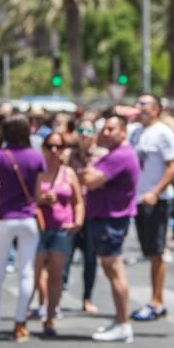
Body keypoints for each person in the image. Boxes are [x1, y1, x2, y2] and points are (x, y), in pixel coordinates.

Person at [81, 114, 141, 343]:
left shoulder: (120, 155)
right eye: (103, 129)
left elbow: (90, 179)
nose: (105, 133)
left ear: (123, 132)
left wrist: (89, 168)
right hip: (107, 218)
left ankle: (123, 323)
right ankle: (120, 319)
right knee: (110, 270)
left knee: (114, 270)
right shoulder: (114, 155)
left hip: (111, 219)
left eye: (111, 129)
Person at [0, 114, 46, 342]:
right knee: (26, 272)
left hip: (4, 219)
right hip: (28, 219)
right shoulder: (35, 157)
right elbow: (39, 195)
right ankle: (20, 324)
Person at [129, 95, 174, 321]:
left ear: (156, 110)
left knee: (156, 253)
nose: (140, 109)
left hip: (157, 200)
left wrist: (155, 192)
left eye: (145, 105)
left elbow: (173, 167)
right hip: (138, 200)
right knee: (148, 251)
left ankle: (157, 301)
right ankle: (154, 300)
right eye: (138, 104)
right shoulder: (135, 132)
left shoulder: (164, 133)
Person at [33, 131, 84, 336]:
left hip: (62, 229)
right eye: (50, 146)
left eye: (59, 147)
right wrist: (42, 199)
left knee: (56, 275)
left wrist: (78, 222)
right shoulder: (38, 172)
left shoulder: (69, 173)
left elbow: (78, 201)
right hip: (40, 228)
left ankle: (51, 318)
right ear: (44, 148)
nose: (54, 151)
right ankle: (33, 309)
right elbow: (29, 200)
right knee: (35, 275)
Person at [64, 118, 105, 313]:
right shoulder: (68, 155)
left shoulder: (102, 155)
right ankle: (58, 297)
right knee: (64, 256)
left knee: (90, 258)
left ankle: (87, 297)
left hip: (93, 212)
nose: (85, 134)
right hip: (70, 212)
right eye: (82, 130)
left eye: (89, 131)